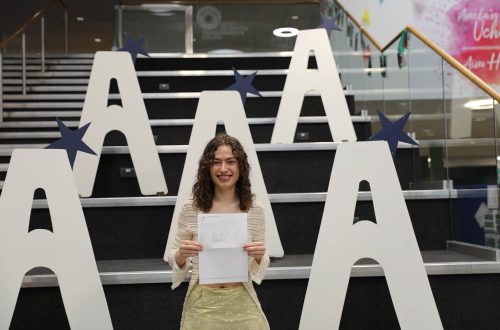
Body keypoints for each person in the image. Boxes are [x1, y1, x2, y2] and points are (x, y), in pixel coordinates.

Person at [167, 133, 270, 330]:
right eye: (216, 162)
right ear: (207, 167)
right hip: (203, 302)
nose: (224, 169)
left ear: (241, 166)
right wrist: (181, 254)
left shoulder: (255, 209)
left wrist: (259, 256)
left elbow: (261, 263)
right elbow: (173, 256)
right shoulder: (191, 208)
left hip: (242, 299)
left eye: (230, 162)